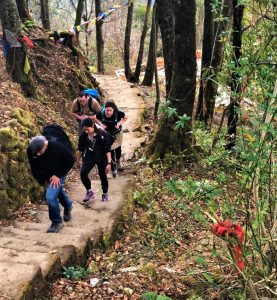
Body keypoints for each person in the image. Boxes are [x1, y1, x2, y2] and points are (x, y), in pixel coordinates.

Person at [27, 135, 75, 233]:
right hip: (47, 174)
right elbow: (34, 167)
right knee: (57, 191)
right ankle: (68, 205)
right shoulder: (31, 150)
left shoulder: (57, 147)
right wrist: (41, 180)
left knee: (50, 196)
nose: (38, 154)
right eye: (36, 152)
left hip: (59, 172)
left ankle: (57, 222)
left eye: (40, 151)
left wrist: (58, 175)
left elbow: (70, 160)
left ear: (45, 144)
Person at [77, 118, 114, 203]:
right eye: (84, 129)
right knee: (83, 174)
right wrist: (78, 160)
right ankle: (89, 191)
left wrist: (109, 163)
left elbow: (108, 150)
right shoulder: (83, 135)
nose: (86, 131)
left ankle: (105, 194)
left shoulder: (102, 134)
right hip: (89, 157)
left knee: (103, 176)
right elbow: (80, 149)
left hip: (101, 157)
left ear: (92, 126)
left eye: (87, 128)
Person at [96, 100, 128, 178]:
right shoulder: (102, 113)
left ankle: (118, 161)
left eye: (110, 111)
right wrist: (101, 124)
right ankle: (114, 170)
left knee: (118, 149)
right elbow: (95, 118)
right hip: (107, 134)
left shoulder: (118, 113)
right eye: (107, 110)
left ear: (113, 110)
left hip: (117, 133)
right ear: (105, 109)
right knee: (110, 150)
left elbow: (126, 117)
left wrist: (119, 123)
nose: (109, 112)